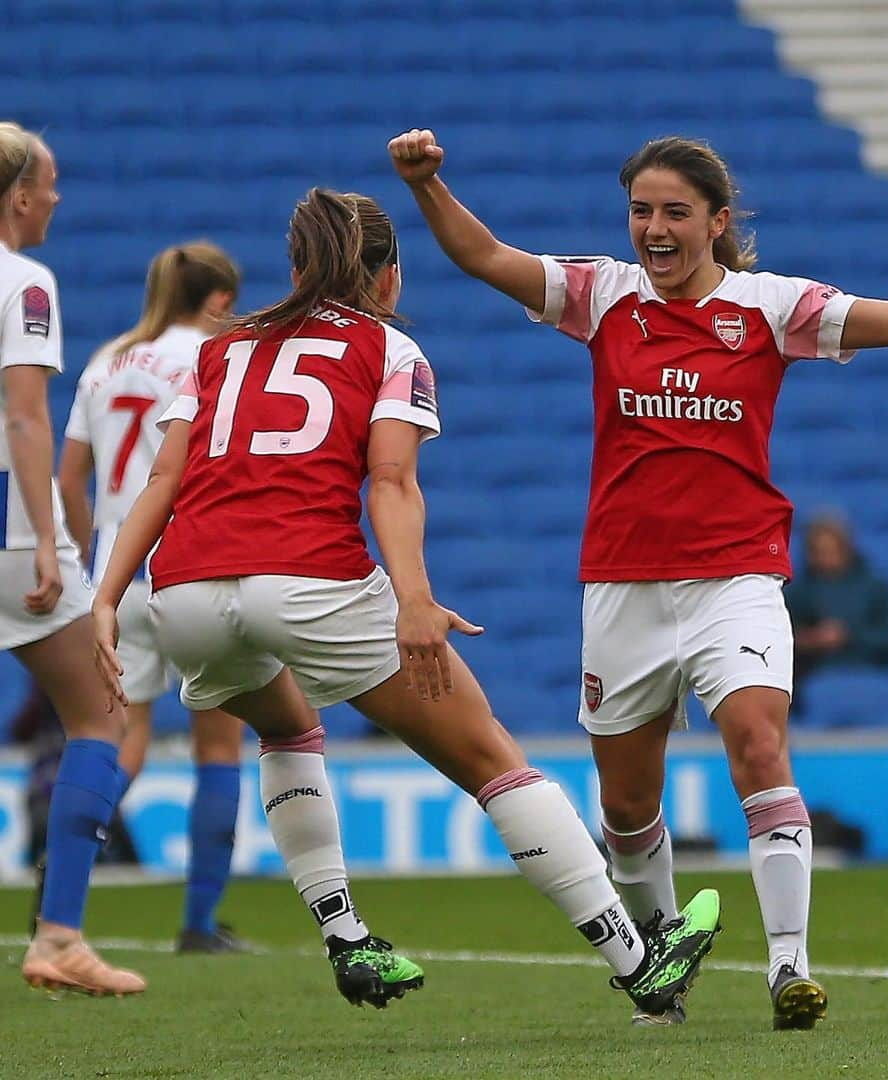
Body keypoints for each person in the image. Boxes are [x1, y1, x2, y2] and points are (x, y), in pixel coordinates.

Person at [388, 126, 888, 1030]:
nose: (654, 228)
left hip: (738, 577)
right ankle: (660, 976)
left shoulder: (770, 305)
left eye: (674, 212)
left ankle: (789, 967)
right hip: (623, 585)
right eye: (641, 210)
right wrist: (426, 184)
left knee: (759, 746)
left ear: (718, 221)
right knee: (628, 802)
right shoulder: (602, 294)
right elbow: (485, 256)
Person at [90, 187, 721, 1014]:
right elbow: (390, 481)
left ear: (294, 266)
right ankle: (637, 961)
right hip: (308, 576)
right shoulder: (389, 346)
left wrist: (106, 598)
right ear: (389, 277)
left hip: (185, 591)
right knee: (491, 757)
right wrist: (414, 599)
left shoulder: (222, 348)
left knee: (285, 725)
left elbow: (164, 480)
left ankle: (347, 936)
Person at [58, 242, 247, 952]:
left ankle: (62, 872)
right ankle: (199, 923)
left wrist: (93, 556)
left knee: (120, 737)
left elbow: (69, 477)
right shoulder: (213, 360)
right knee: (219, 743)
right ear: (220, 301)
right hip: (193, 572)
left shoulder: (107, 362)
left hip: (117, 579)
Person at [0, 120, 144, 995]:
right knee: (101, 718)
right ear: (18, 197)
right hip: (14, 530)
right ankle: (58, 937)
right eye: (48, 184)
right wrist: (51, 540)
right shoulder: (24, 282)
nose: (56, 198)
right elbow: (23, 415)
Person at [784, 512, 888, 689]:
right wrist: (811, 640)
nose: (826, 559)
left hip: (871, 670)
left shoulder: (877, 589)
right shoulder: (797, 593)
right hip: (813, 676)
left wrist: (849, 636)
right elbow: (782, 638)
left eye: (832, 551)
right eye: (819, 552)